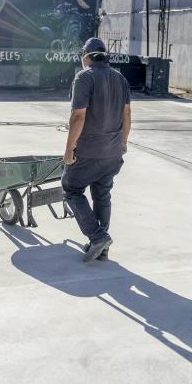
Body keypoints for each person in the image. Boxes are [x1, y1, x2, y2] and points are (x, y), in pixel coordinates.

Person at [61, 37, 131, 263]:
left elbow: (79, 116)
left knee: (71, 188)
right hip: (113, 151)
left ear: (86, 55)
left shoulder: (84, 77)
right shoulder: (120, 78)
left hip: (90, 150)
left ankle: (98, 236)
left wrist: (69, 148)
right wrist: (123, 143)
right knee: (102, 194)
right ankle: (102, 247)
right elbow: (127, 115)